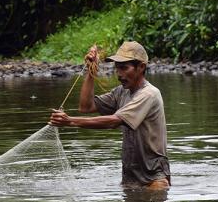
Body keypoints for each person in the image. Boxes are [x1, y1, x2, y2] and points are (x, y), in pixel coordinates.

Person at [49, 41, 170, 190]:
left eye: (124, 68)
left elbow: (114, 121)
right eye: (117, 68)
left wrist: (70, 121)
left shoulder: (149, 94)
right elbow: (86, 106)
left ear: (141, 67)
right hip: (130, 179)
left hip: (154, 180)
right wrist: (91, 71)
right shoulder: (121, 92)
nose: (119, 74)